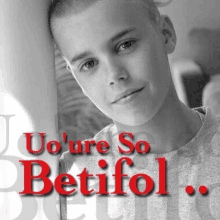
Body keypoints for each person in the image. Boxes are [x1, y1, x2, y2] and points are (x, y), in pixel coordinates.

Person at [49, 0, 220, 219]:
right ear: (76, 77)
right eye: (89, 64)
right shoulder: (69, 179)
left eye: (125, 45)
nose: (114, 75)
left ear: (166, 35)